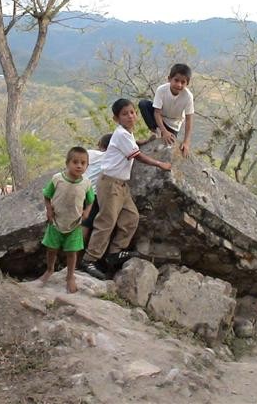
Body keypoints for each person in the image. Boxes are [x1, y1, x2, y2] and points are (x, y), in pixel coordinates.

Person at [79, 99, 171, 280]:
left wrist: (145, 140)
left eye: (132, 112)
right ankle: (89, 259)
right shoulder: (121, 133)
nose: (130, 116)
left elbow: (132, 144)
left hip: (121, 184)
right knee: (106, 221)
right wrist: (159, 164)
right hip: (110, 183)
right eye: (124, 114)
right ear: (116, 118)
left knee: (131, 217)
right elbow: (137, 155)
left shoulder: (126, 134)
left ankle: (115, 252)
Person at [40, 146, 96, 293]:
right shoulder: (57, 179)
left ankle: (70, 276)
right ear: (67, 163)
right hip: (56, 222)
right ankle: (50, 269)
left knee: (72, 252)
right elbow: (47, 195)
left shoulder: (86, 183)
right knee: (51, 249)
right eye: (75, 162)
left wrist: (86, 212)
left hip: (74, 224)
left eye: (83, 163)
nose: (79, 166)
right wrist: (49, 210)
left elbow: (90, 200)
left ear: (87, 165)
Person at [139, 63, 194, 157]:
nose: (179, 85)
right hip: (159, 118)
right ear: (169, 79)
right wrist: (163, 131)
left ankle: (161, 133)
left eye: (183, 82)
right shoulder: (161, 90)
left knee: (169, 145)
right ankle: (156, 132)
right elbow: (157, 112)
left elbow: (189, 120)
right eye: (176, 80)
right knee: (143, 104)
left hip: (173, 124)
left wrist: (186, 142)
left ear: (187, 84)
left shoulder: (188, 96)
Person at [81, 133, 113, 244]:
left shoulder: (90, 153)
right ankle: (77, 250)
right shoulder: (112, 158)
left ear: (100, 144)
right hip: (94, 194)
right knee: (86, 224)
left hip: (80, 189)